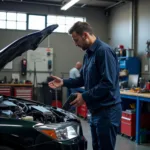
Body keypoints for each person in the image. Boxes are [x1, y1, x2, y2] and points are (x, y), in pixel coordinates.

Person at [48, 21, 122, 150]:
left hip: (107, 112)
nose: (76, 44)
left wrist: (84, 96)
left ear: (85, 35)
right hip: (95, 111)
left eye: (76, 40)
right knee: (96, 147)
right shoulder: (88, 55)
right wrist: (64, 82)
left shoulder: (103, 51)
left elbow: (108, 83)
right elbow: (82, 79)